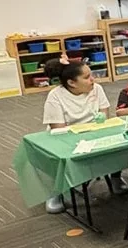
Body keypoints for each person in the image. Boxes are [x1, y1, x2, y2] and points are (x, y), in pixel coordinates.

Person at [41, 58, 114, 213]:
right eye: (87, 77)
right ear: (72, 83)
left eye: (91, 75)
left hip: (93, 133)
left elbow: (104, 115)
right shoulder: (55, 96)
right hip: (67, 138)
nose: (92, 79)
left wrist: (99, 122)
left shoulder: (97, 89)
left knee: (119, 146)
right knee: (61, 157)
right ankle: (55, 191)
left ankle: (115, 178)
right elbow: (58, 130)